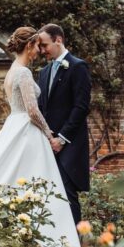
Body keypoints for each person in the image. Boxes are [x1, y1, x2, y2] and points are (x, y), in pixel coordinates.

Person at [0, 27, 83, 247]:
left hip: (14, 124)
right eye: (37, 47)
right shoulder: (22, 73)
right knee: (37, 180)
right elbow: (33, 110)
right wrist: (48, 132)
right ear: (29, 45)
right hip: (27, 129)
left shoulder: (12, 71)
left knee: (16, 177)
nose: (39, 52)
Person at [36, 24, 91, 226]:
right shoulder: (43, 72)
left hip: (69, 145)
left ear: (58, 40)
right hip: (46, 144)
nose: (42, 50)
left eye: (44, 45)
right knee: (47, 196)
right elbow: (42, 109)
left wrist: (62, 138)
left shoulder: (78, 67)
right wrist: (46, 137)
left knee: (68, 196)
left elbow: (81, 107)